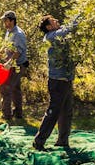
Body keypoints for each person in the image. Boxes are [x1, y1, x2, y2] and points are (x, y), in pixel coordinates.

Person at [32, 14, 80, 151]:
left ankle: (62, 141)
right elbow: (68, 29)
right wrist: (80, 15)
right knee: (53, 112)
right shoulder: (51, 37)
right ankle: (39, 141)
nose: (57, 21)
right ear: (48, 27)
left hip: (66, 80)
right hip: (57, 82)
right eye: (54, 21)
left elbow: (66, 28)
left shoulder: (55, 34)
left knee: (67, 112)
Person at [0, 11, 27, 122]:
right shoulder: (9, 32)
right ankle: (18, 114)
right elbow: (5, 47)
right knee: (16, 89)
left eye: (6, 20)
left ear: (12, 20)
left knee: (5, 88)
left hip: (17, 65)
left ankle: (7, 115)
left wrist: (9, 63)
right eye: (4, 21)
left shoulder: (18, 34)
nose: (4, 23)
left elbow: (18, 52)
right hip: (11, 64)